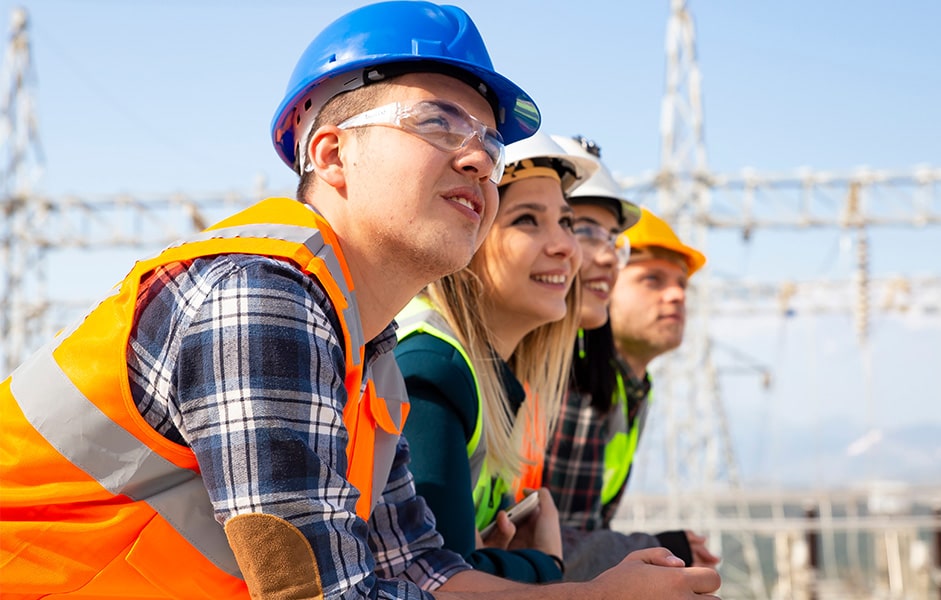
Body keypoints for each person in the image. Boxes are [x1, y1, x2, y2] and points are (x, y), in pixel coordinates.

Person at [0, 3, 722, 598]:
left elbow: (420, 571)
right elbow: (323, 592)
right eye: (437, 122)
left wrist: (596, 593)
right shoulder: (259, 296)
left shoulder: (368, 357)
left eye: (489, 143)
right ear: (331, 154)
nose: (478, 158)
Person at [393, 131, 593, 582]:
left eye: (566, 222)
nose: (565, 246)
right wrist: (544, 564)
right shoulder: (432, 367)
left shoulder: (485, 375)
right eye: (527, 220)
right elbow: (438, 583)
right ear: (470, 231)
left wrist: (494, 559)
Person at [542, 137, 721, 581]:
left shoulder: (627, 386)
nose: (677, 295)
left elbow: (580, 531)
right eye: (653, 280)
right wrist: (657, 549)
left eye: (681, 284)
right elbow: (547, 548)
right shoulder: (577, 377)